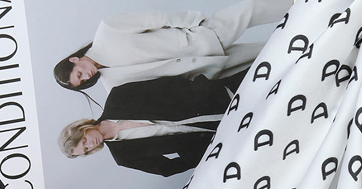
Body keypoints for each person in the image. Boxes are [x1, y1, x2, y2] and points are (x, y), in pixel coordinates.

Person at [53, 0, 295, 93]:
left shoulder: (107, 31)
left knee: (251, 9)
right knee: (267, 52)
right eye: (82, 82)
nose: (86, 77)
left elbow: (155, 19)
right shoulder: (112, 86)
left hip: (199, 38)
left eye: (79, 74)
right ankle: (310, 36)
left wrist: (195, 21)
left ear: (74, 59)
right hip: (205, 68)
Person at [58, 74, 238, 176]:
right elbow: (166, 169)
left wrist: (198, 90)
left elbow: (163, 84)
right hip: (215, 137)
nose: (90, 145)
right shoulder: (123, 156)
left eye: (84, 142)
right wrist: (199, 155)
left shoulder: (118, 97)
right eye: (86, 150)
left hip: (213, 98)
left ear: (82, 129)